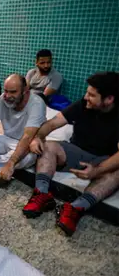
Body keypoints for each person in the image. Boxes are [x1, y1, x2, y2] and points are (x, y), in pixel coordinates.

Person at [24, 72, 119, 236]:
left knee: (117, 173)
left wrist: (97, 171)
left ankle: (75, 208)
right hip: (75, 152)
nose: (86, 97)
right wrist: (38, 137)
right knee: (48, 146)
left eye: (91, 95)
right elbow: (52, 123)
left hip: (104, 161)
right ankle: (42, 194)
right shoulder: (83, 104)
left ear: (109, 99)